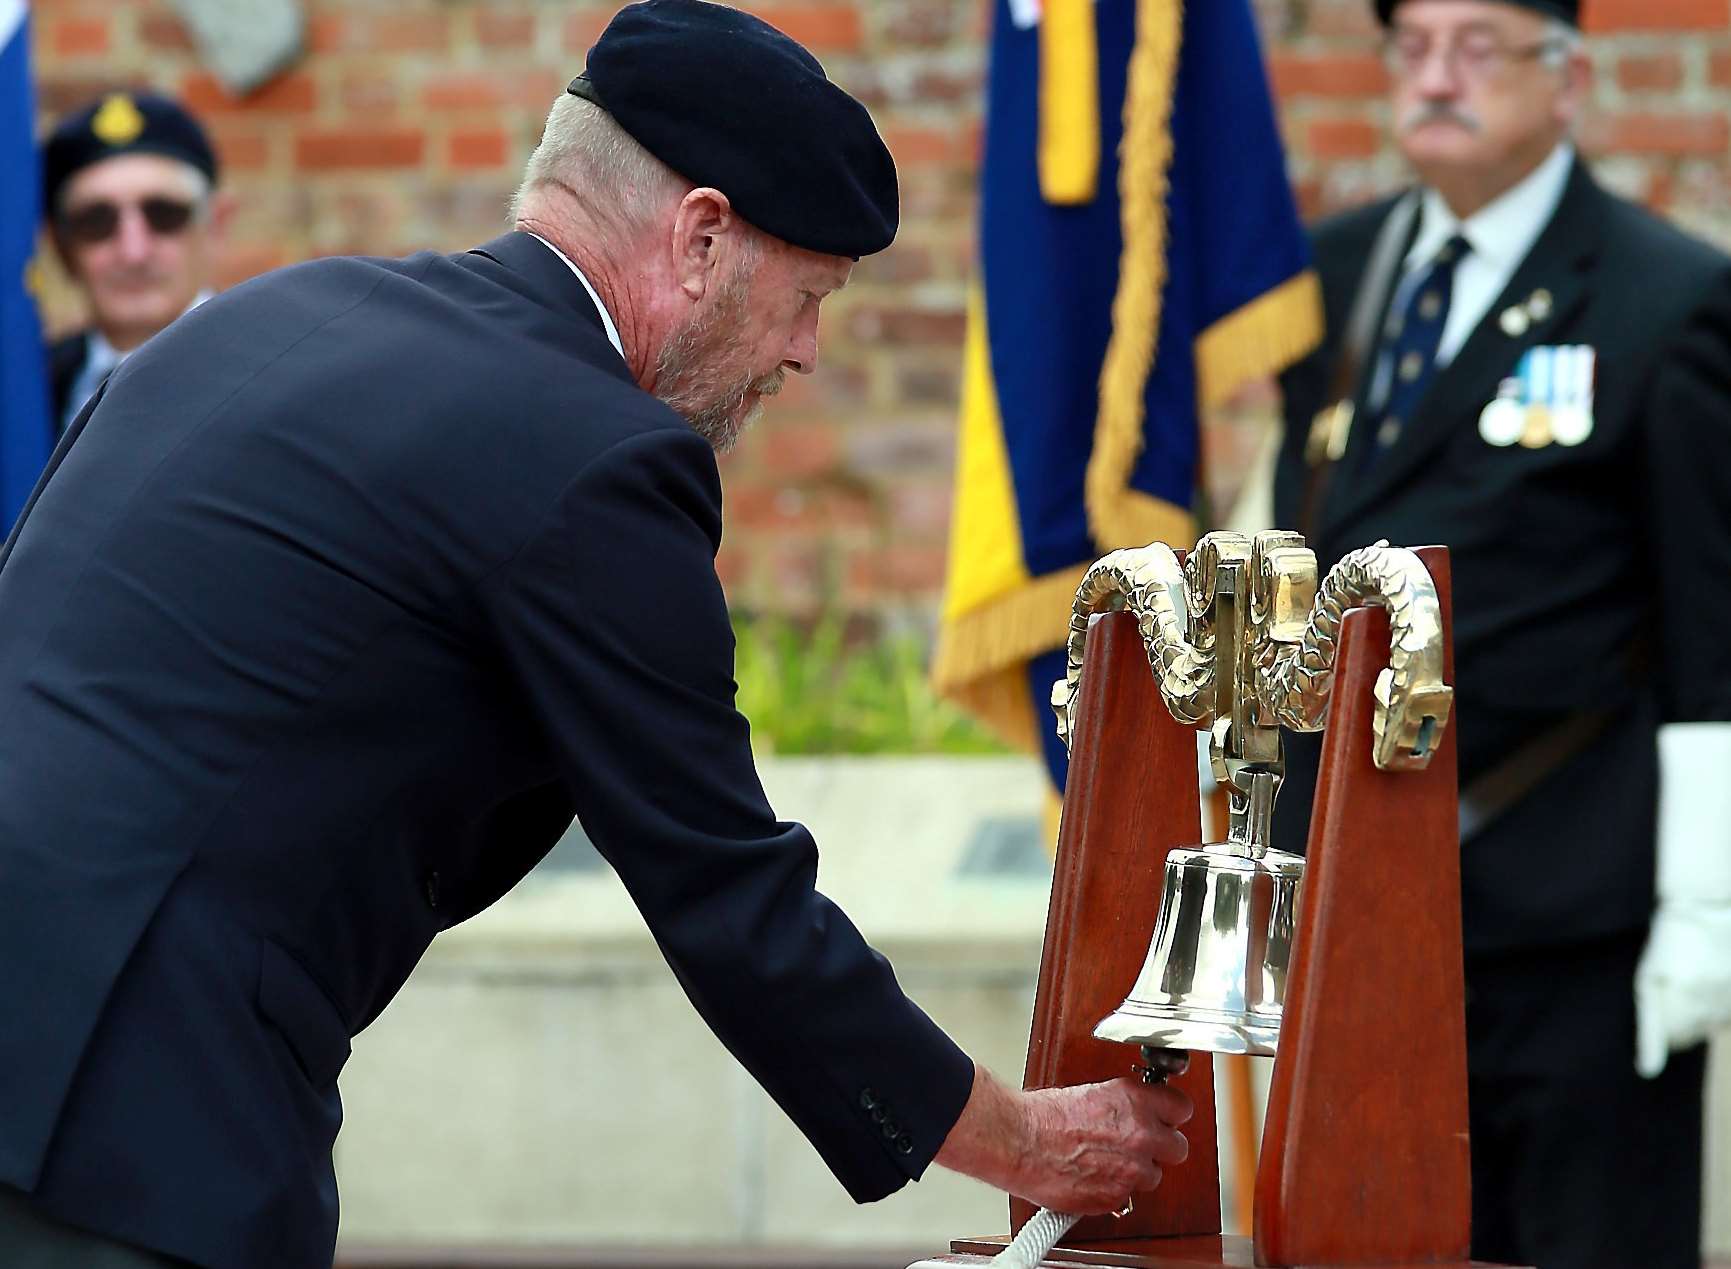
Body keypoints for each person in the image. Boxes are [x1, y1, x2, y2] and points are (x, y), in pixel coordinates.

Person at [0, 4, 1193, 1268]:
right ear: (700, 237)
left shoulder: (268, 319)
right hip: (121, 1128)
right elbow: (729, 892)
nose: (806, 349)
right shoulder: (598, 457)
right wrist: (1023, 1140)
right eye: (808, 294)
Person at [1271, 2, 1731, 1266]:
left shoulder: (1667, 295)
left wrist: (1706, 906)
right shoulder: (1335, 273)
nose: (1436, 77)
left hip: (1569, 904)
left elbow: (1711, 629)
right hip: (1362, 897)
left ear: (1566, 79)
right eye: (1412, 47)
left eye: (1477, 49)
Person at [41, 90, 230, 434]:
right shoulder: (26, 389)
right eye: (96, 222)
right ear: (62, 248)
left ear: (214, 225)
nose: (134, 252)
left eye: (164, 214)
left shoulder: (276, 370)